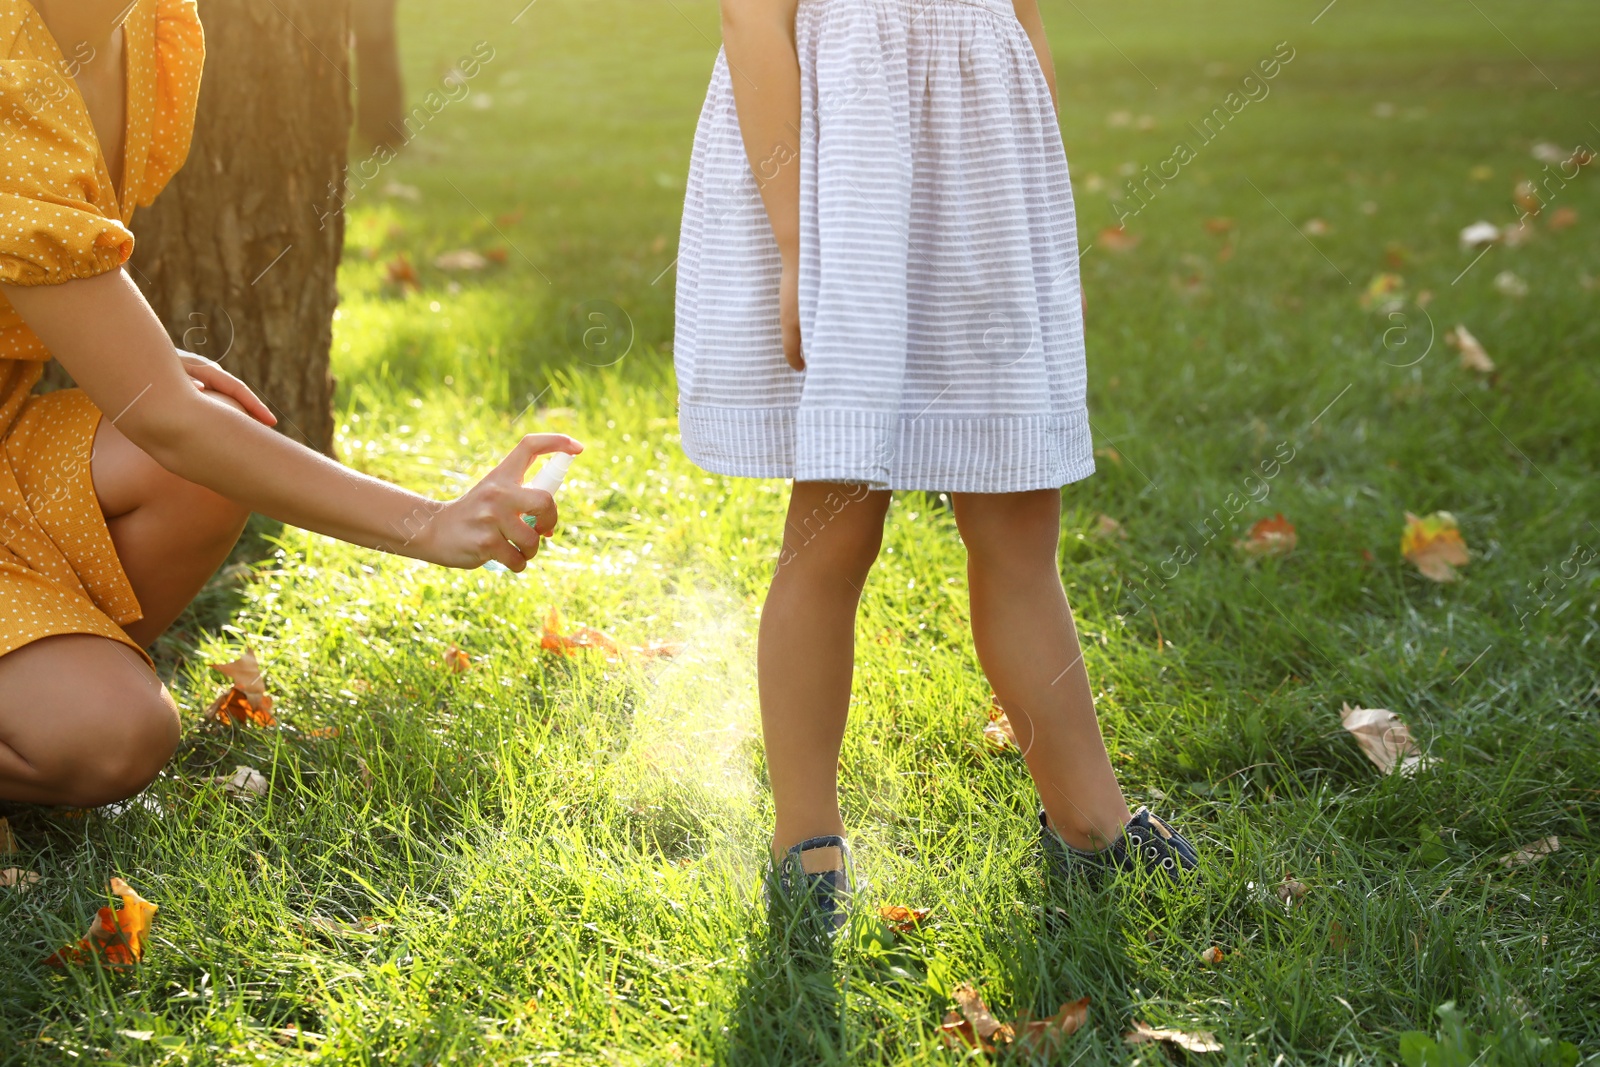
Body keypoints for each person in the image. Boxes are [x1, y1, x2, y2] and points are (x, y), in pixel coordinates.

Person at [674, 0, 1199, 926]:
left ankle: (1090, 823)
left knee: (1018, 519)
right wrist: (800, 243)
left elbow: (1023, 22)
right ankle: (806, 844)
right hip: (845, 183)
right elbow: (749, 19)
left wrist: (1041, 235)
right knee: (835, 520)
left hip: (981, 184)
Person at [0, 0, 578, 808]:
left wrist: (130, 353)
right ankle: (54, 707)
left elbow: (47, 270)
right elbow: (168, 418)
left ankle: (45, 683)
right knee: (116, 734)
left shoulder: (142, 26)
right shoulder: (12, 70)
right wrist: (434, 521)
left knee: (207, 460)